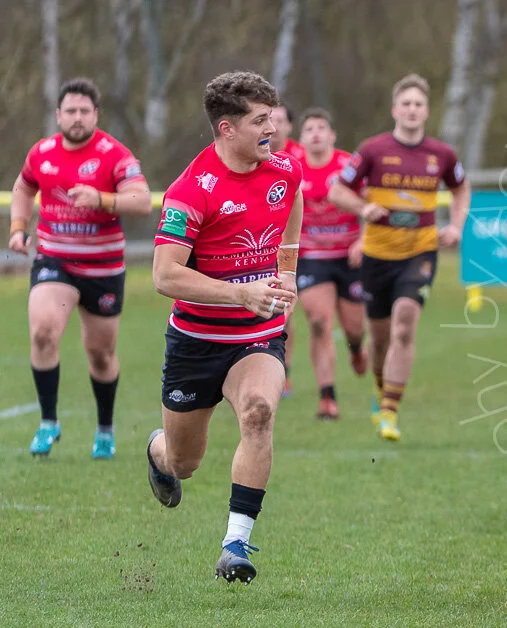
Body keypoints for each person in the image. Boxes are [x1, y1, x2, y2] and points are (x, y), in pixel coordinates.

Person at [146, 71, 304, 583]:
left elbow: (291, 205)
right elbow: (164, 275)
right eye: (260, 121)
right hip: (195, 341)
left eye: (273, 119)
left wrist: (286, 274)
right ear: (226, 128)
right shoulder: (190, 190)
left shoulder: (284, 170)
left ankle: (235, 544)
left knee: (259, 413)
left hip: (255, 338)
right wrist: (241, 292)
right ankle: (157, 451)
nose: (272, 130)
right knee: (183, 462)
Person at [9, 78, 150, 459]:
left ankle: (105, 428)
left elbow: (141, 201)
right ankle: (48, 421)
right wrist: (19, 229)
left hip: (103, 268)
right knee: (42, 334)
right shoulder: (41, 152)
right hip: (55, 260)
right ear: (58, 115)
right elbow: (23, 188)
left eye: (84, 111)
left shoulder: (114, 154)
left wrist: (102, 199)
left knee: (100, 354)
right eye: (69, 110)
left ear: (95, 115)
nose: (76, 117)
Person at [328, 74, 472, 442]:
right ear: (395, 109)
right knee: (379, 339)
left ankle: (390, 411)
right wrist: (364, 207)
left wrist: (455, 225)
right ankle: (381, 389)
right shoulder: (373, 150)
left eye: (418, 104)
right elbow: (337, 190)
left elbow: (461, 188)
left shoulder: (441, 155)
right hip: (377, 256)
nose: (412, 110)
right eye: (405, 103)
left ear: (426, 111)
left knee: (405, 324)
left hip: (420, 252)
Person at [292, 108, 367, 420]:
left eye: (322, 127)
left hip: (349, 255)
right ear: (302, 138)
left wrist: (363, 241)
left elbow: (369, 205)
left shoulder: (347, 165)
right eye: (310, 129)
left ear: (333, 135)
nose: (316, 133)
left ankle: (355, 348)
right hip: (312, 257)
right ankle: (327, 397)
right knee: (319, 322)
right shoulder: (294, 169)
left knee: (354, 327)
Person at [270, 104, 305, 398]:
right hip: (265, 245)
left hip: (298, 247)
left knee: (287, 311)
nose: (275, 126)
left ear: (289, 126)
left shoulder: (300, 160)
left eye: (280, 120)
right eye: (269, 120)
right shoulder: (251, 157)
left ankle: (284, 371)